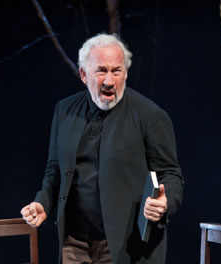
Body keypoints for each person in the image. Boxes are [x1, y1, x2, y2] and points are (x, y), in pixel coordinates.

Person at [21, 33, 184, 264]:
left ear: (126, 73)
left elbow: (171, 173)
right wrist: (43, 202)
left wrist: (165, 203)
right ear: (83, 75)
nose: (109, 80)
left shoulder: (150, 115)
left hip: (126, 246)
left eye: (116, 71)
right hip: (74, 243)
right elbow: (55, 169)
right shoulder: (65, 110)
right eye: (101, 71)